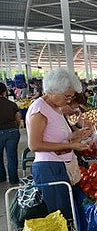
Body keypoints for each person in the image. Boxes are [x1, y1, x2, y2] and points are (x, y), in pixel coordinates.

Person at [25, 67, 91, 220]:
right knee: (60, 216)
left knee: (68, 213)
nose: (69, 101)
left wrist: (76, 135)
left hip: (61, 166)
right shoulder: (39, 111)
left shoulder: (56, 108)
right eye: (67, 97)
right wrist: (71, 145)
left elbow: (57, 137)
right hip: (49, 169)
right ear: (53, 90)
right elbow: (34, 145)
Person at [0, 82, 21, 184]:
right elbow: (18, 119)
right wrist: (17, 126)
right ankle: (13, 179)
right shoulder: (12, 104)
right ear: (4, 92)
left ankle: (1, 178)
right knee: (11, 156)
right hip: (12, 131)